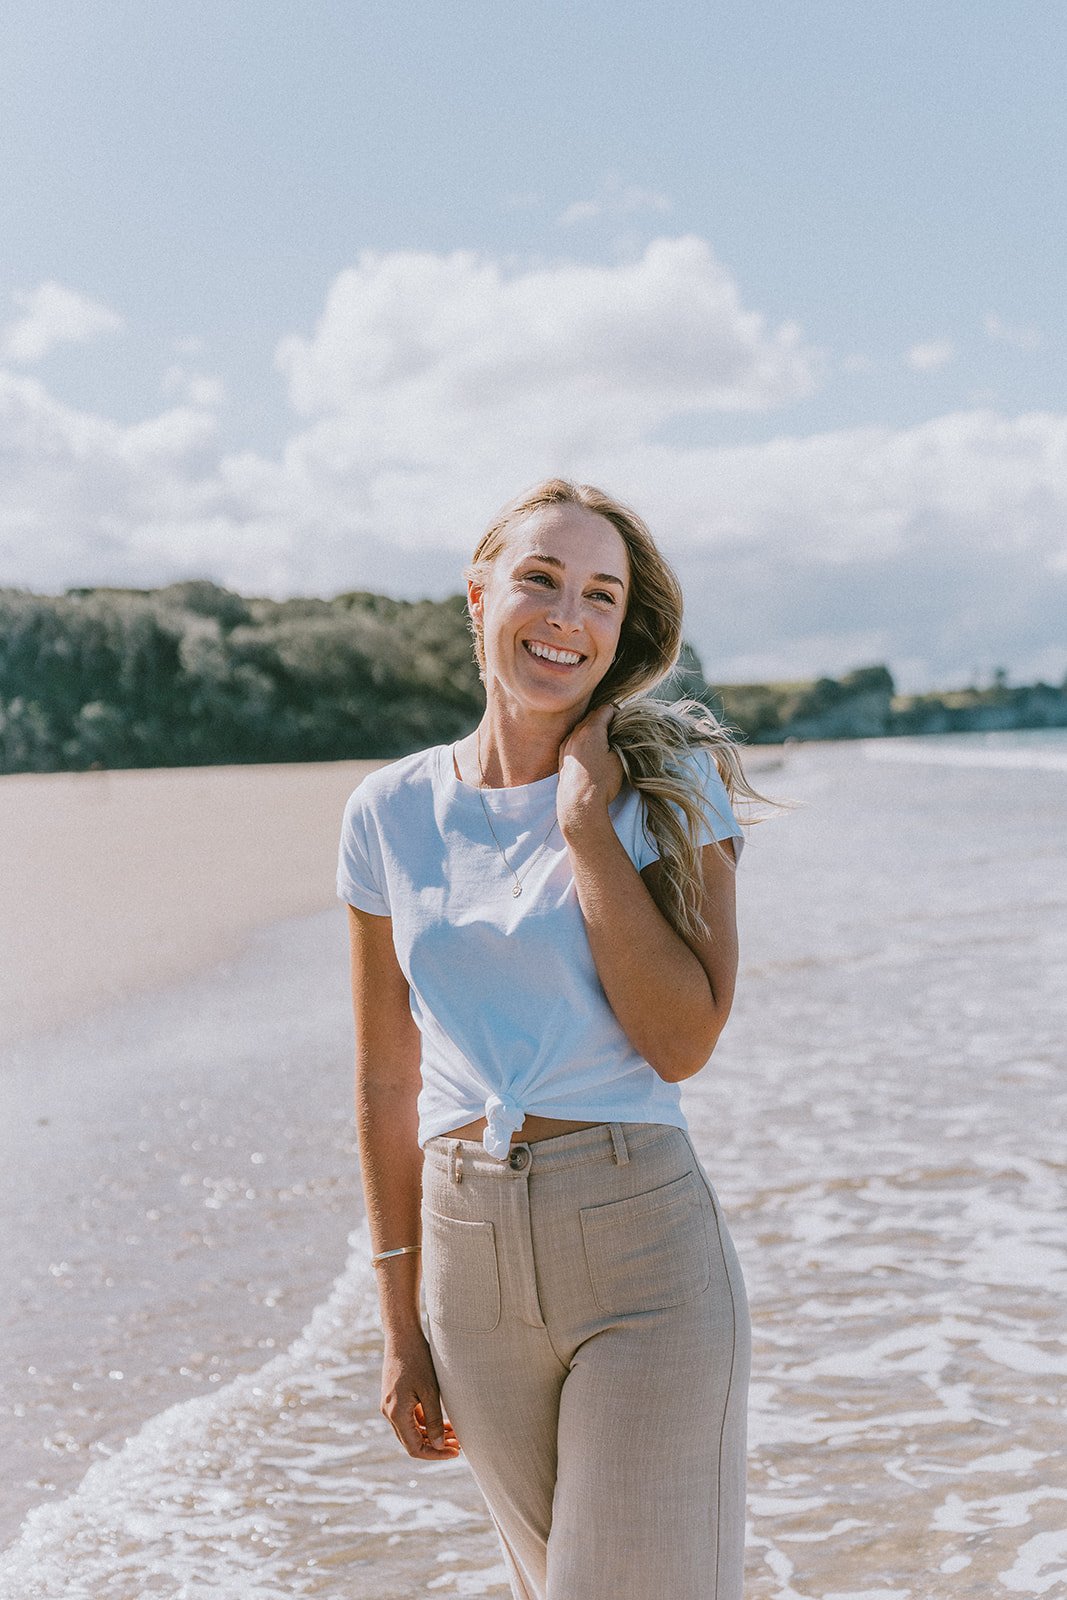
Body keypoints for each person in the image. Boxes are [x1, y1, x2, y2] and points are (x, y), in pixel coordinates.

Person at [337, 479, 769, 1600]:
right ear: (479, 598)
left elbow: (681, 1041)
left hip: (641, 1252)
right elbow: (387, 1079)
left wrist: (586, 827)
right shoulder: (386, 812)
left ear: (623, 636)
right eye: (539, 579)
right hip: (462, 1255)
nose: (564, 615)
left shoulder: (670, 789)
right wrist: (399, 1326)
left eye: (599, 595)